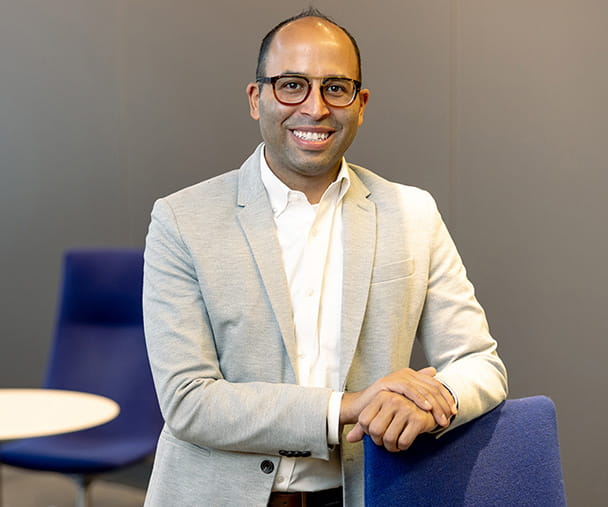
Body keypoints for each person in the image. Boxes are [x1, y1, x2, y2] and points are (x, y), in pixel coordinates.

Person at [142, 8, 507, 507]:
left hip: (363, 493)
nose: (314, 108)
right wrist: (352, 407)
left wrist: (432, 403)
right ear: (256, 99)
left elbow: (479, 364)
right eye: (291, 85)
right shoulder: (182, 220)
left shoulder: (413, 213)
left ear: (361, 103)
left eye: (336, 88)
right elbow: (189, 400)